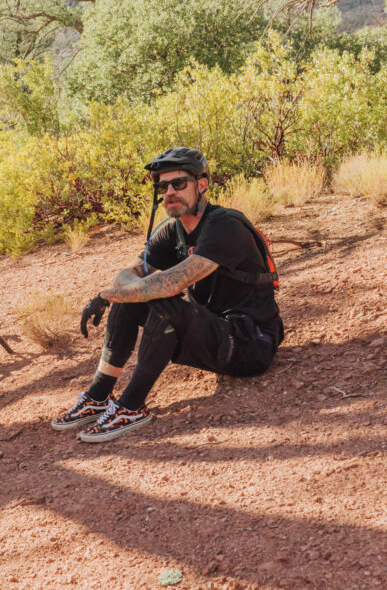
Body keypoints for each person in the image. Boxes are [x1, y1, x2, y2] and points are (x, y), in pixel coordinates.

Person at [52, 147, 285, 443]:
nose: (169, 192)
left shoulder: (225, 226)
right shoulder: (172, 231)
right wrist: (119, 293)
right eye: (163, 186)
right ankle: (98, 395)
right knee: (130, 301)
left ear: (202, 184)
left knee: (161, 302)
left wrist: (109, 295)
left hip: (250, 345)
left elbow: (170, 285)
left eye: (179, 184)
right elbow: (127, 275)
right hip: (215, 335)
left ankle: (131, 407)